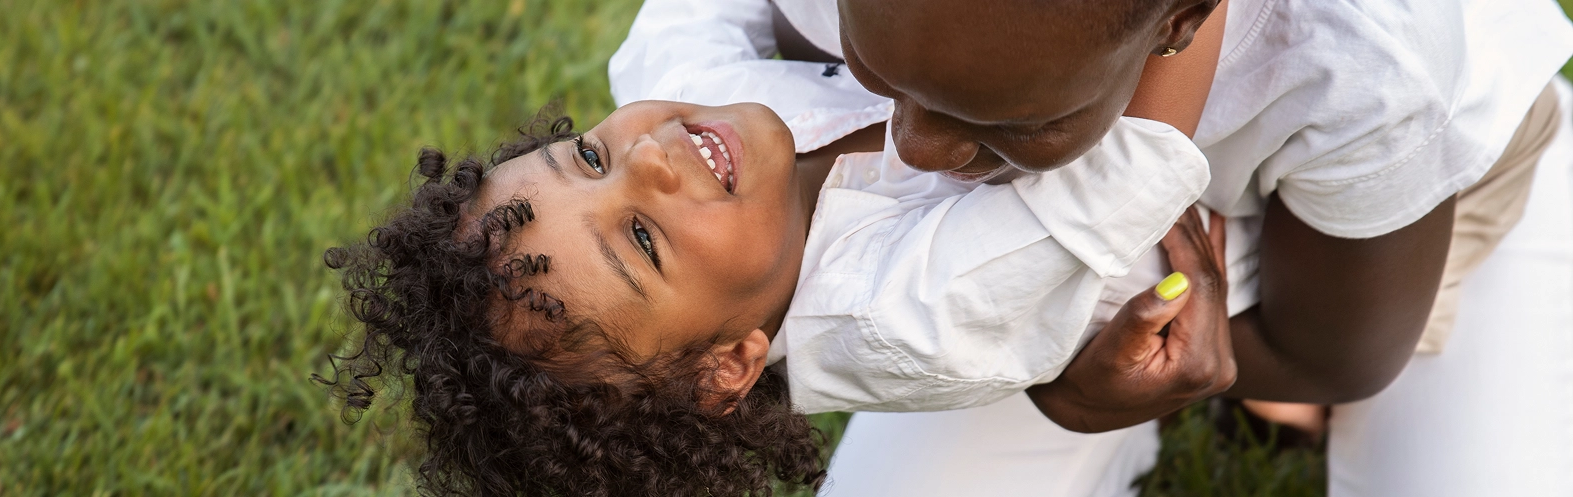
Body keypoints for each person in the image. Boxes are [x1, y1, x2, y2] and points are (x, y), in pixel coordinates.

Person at [611, 0, 1573, 495]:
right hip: (1088, 252)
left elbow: (1336, 350)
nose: (915, 148)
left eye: (1012, 118)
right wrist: (1063, 382)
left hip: (1409, 221)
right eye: (877, 68)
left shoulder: (1374, 57)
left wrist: (1083, 376)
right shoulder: (931, 289)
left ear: (1183, 21)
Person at [317, 98, 1227, 496]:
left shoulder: (691, 107)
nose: (647, 155)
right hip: (1230, 218)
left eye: (588, 156)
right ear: (728, 366)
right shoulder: (911, 312)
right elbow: (1145, 132)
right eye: (642, 238)